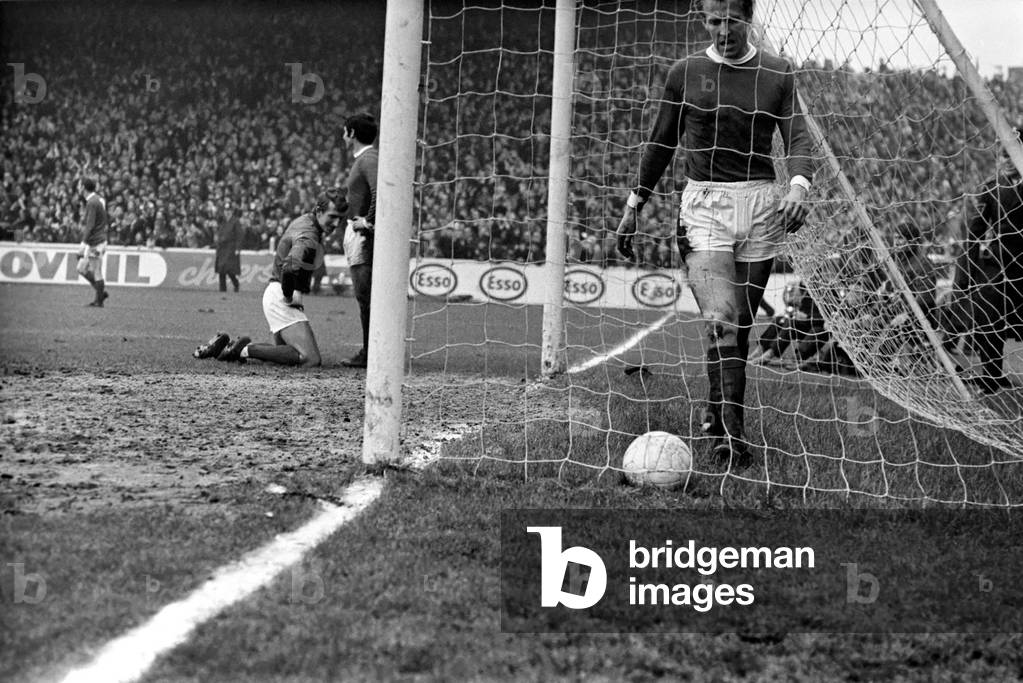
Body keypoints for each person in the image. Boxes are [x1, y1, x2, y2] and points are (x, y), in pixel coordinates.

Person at [616, 0, 814, 466]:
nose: (723, 30)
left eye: (732, 20)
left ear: (749, 19)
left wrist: (800, 185)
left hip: (763, 204)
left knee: (739, 328)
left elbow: (798, 137)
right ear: (703, 20)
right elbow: (661, 140)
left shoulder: (778, 72)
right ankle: (731, 434)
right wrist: (634, 203)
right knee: (721, 321)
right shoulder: (685, 72)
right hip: (705, 205)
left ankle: (715, 409)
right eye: (713, 20)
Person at [193, 188, 348, 367]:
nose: (336, 223)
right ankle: (241, 350)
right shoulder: (309, 234)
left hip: (275, 291)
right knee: (310, 358)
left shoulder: (306, 220)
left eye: (340, 218)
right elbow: (289, 267)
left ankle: (225, 348)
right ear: (319, 211)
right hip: (280, 294)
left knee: (284, 356)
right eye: (332, 217)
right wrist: (291, 295)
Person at [939, 130, 1023, 394]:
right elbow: (973, 237)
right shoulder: (990, 188)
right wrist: (963, 280)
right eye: (1002, 154)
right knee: (988, 315)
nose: (1007, 159)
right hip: (1000, 269)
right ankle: (991, 377)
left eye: (1012, 153)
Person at [340, 112, 379, 368]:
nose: (342, 136)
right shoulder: (364, 159)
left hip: (364, 237)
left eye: (344, 131)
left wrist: (367, 220)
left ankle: (370, 353)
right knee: (364, 297)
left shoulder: (368, 159)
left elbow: (379, 191)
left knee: (366, 296)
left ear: (352, 133)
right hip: (358, 232)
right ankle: (372, 350)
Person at [76, 177, 110, 307]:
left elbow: (90, 226)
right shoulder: (95, 200)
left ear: (83, 187)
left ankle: (99, 301)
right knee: (81, 268)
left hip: (97, 243)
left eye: (79, 185)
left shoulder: (92, 202)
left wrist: (82, 244)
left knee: (96, 270)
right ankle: (101, 293)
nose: (78, 188)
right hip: (94, 242)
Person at [215, 201, 242, 292]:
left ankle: (235, 283)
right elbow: (219, 232)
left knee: (229, 269)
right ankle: (222, 289)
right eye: (226, 210)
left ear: (232, 211)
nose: (227, 212)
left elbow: (239, 235)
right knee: (221, 269)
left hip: (231, 247)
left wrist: (238, 248)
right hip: (222, 248)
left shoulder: (235, 221)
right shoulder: (222, 221)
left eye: (229, 210)